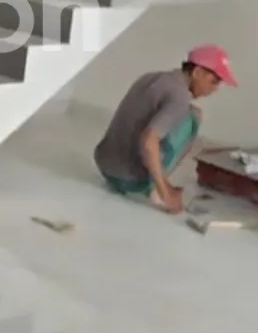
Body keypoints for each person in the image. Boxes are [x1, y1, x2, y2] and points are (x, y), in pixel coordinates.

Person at [94, 44, 237, 215]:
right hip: (128, 179)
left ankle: (158, 181)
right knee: (193, 118)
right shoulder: (180, 96)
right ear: (197, 72)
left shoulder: (152, 77)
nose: (214, 90)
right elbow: (149, 140)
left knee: (190, 112)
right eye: (213, 82)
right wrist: (165, 192)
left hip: (104, 163)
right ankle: (156, 188)